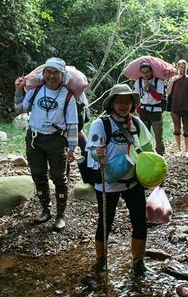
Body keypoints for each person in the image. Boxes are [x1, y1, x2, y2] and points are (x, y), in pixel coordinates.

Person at [85, 84, 155, 275]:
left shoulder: (137, 124)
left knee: (140, 221)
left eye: (127, 101)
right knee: (105, 223)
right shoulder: (101, 124)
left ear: (132, 103)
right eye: (119, 101)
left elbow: (149, 150)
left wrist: (157, 172)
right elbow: (91, 150)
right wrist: (97, 152)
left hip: (133, 181)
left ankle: (138, 262)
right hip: (107, 183)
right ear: (112, 103)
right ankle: (101, 261)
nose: (124, 105)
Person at [14, 57, 78, 231]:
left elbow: (73, 124)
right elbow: (20, 109)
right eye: (48, 72)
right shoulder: (35, 91)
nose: (51, 76)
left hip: (56, 140)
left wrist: (72, 148)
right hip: (34, 139)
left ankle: (60, 214)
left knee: (59, 177)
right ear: (43, 74)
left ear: (62, 75)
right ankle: (45, 210)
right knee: (38, 175)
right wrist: (18, 91)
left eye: (55, 73)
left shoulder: (68, 97)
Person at [133, 61, 165, 155]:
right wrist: (137, 108)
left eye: (147, 72)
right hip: (143, 111)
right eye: (143, 72)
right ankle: (147, 155)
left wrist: (150, 87)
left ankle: (160, 155)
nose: (145, 74)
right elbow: (137, 96)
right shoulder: (138, 82)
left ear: (151, 71)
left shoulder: (159, 81)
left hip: (156, 111)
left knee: (158, 137)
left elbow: (159, 97)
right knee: (144, 137)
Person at [167, 60, 188, 153]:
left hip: (186, 108)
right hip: (174, 108)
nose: (183, 69)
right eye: (181, 67)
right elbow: (168, 93)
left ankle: (186, 150)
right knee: (176, 129)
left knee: (187, 130)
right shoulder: (173, 79)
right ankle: (178, 149)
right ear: (178, 67)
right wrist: (174, 80)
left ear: (187, 68)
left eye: (184, 67)